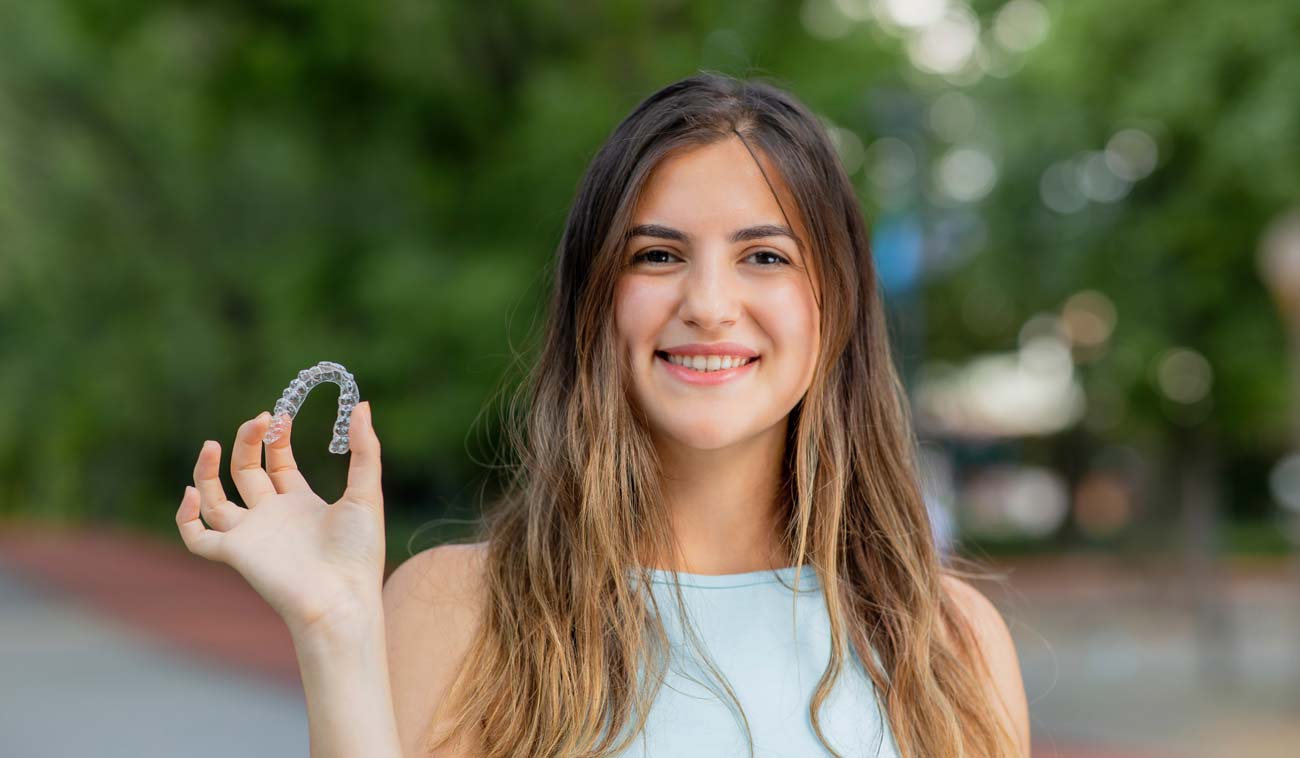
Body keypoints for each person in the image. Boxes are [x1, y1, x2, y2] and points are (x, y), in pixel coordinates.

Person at [176, 72, 1030, 758]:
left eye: (763, 256)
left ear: (834, 307)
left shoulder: (949, 644)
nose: (708, 304)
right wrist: (336, 631)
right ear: (595, 303)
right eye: (657, 255)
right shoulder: (459, 609)